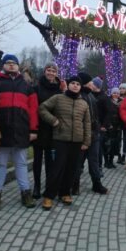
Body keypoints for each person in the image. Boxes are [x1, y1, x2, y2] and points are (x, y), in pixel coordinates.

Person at [39, 76, 91, 210]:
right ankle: (49, 195)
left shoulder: (83, 103)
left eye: (77, 84)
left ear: (80, 87)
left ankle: (65, 193)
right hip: (60, 140)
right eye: (72, 83)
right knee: (57, 169)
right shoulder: (58, 98)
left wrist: (86, 141)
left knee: (71, 169)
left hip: (77, 142)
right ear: (68, 85)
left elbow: (87, 123)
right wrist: (54, 121)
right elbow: (42, 108)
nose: (75, 86)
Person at [0, 54, 38, 209]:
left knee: (21, 164)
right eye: (8, 63)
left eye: (14, 63)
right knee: (0, 164)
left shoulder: (26, 86)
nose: (11, 65)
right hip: (2, 131)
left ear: (18, 66)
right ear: (3, 65)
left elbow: (33, 110)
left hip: (21, 131)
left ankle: (26, 194)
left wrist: (33, 129)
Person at [72, 72, 108, 195]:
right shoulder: (78, 96)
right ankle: (74, 185)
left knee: (94, 161)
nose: (92, 84)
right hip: (81, 134)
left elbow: (95, 115)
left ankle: (96, 184)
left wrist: (97, 129)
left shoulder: (91, 96)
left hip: (94, 134)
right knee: (78, 161)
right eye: (90, 82)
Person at [32, 62, 62, 199]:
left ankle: (49, 186)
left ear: (56, 73)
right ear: (45, 71)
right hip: (39, 128)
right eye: (48, 70)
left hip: (53, 129)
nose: (51, 73)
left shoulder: (59, 89)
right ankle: (36, 187)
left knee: (51, 161)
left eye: (53, 71)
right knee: (37, 160)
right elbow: (33, 109)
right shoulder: (36, 87)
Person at [92, 76, 112, 174]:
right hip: (89, 125)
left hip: (100, 127)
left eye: (93, 84)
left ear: (97, 86)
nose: (91, 85)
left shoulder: (104, 97)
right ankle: (81, 166)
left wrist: (104, 125)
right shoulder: (89, 95)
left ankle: (99, 167)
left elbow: (109, 113)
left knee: (98, 149)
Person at [109, 87, 123, 168]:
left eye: (117, 93)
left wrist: (120, 126)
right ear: (111, 93)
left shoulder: (121, 102)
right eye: (114, 93)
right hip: (110, 126)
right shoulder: (108, 101)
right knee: (109, 144)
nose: (116, 95)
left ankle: (112, 160)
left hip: (118, 126)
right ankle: (108, 161)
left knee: (116, 144)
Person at [119, 83, 126, 164]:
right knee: (118, 139)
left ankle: (123, 155)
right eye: (120, 88)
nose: (122, 90)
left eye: (123, 88)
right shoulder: (116, 97)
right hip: (118, 122)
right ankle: (118, 155)